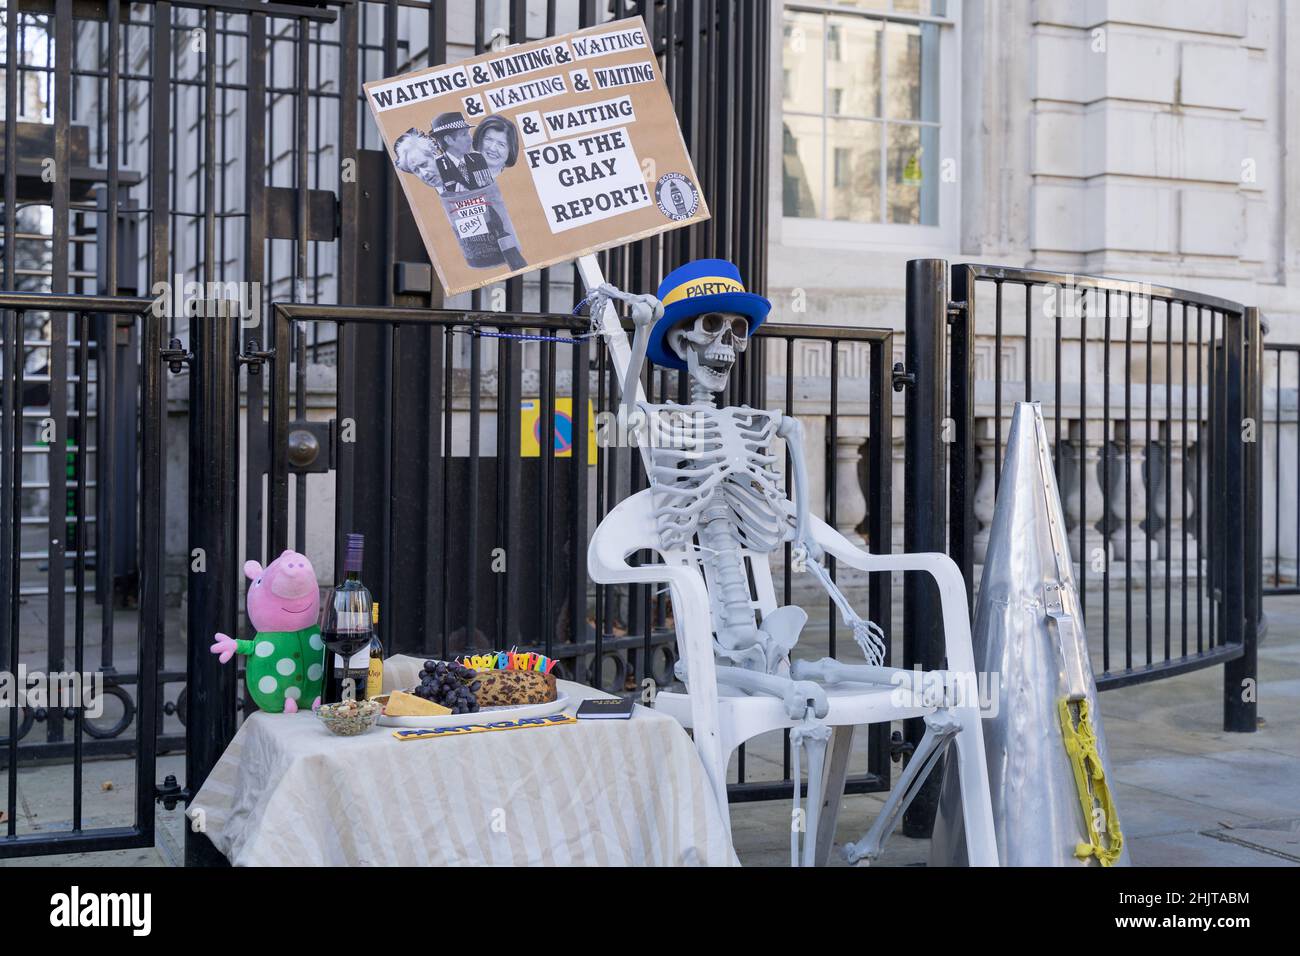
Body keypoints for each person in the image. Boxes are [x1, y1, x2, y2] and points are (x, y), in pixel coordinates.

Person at [429, 112, 494, 194]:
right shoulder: (436, 167)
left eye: (468, 133)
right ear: (449, 140)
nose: (470, 139)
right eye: (464, 134)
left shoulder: (477, 158)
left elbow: (491, 192)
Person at [472, 115, 519, 180]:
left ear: (510, 151)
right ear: (479, 139)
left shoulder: (515, 183)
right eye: (488, 139)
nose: (492, 148)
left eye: (501, 144)